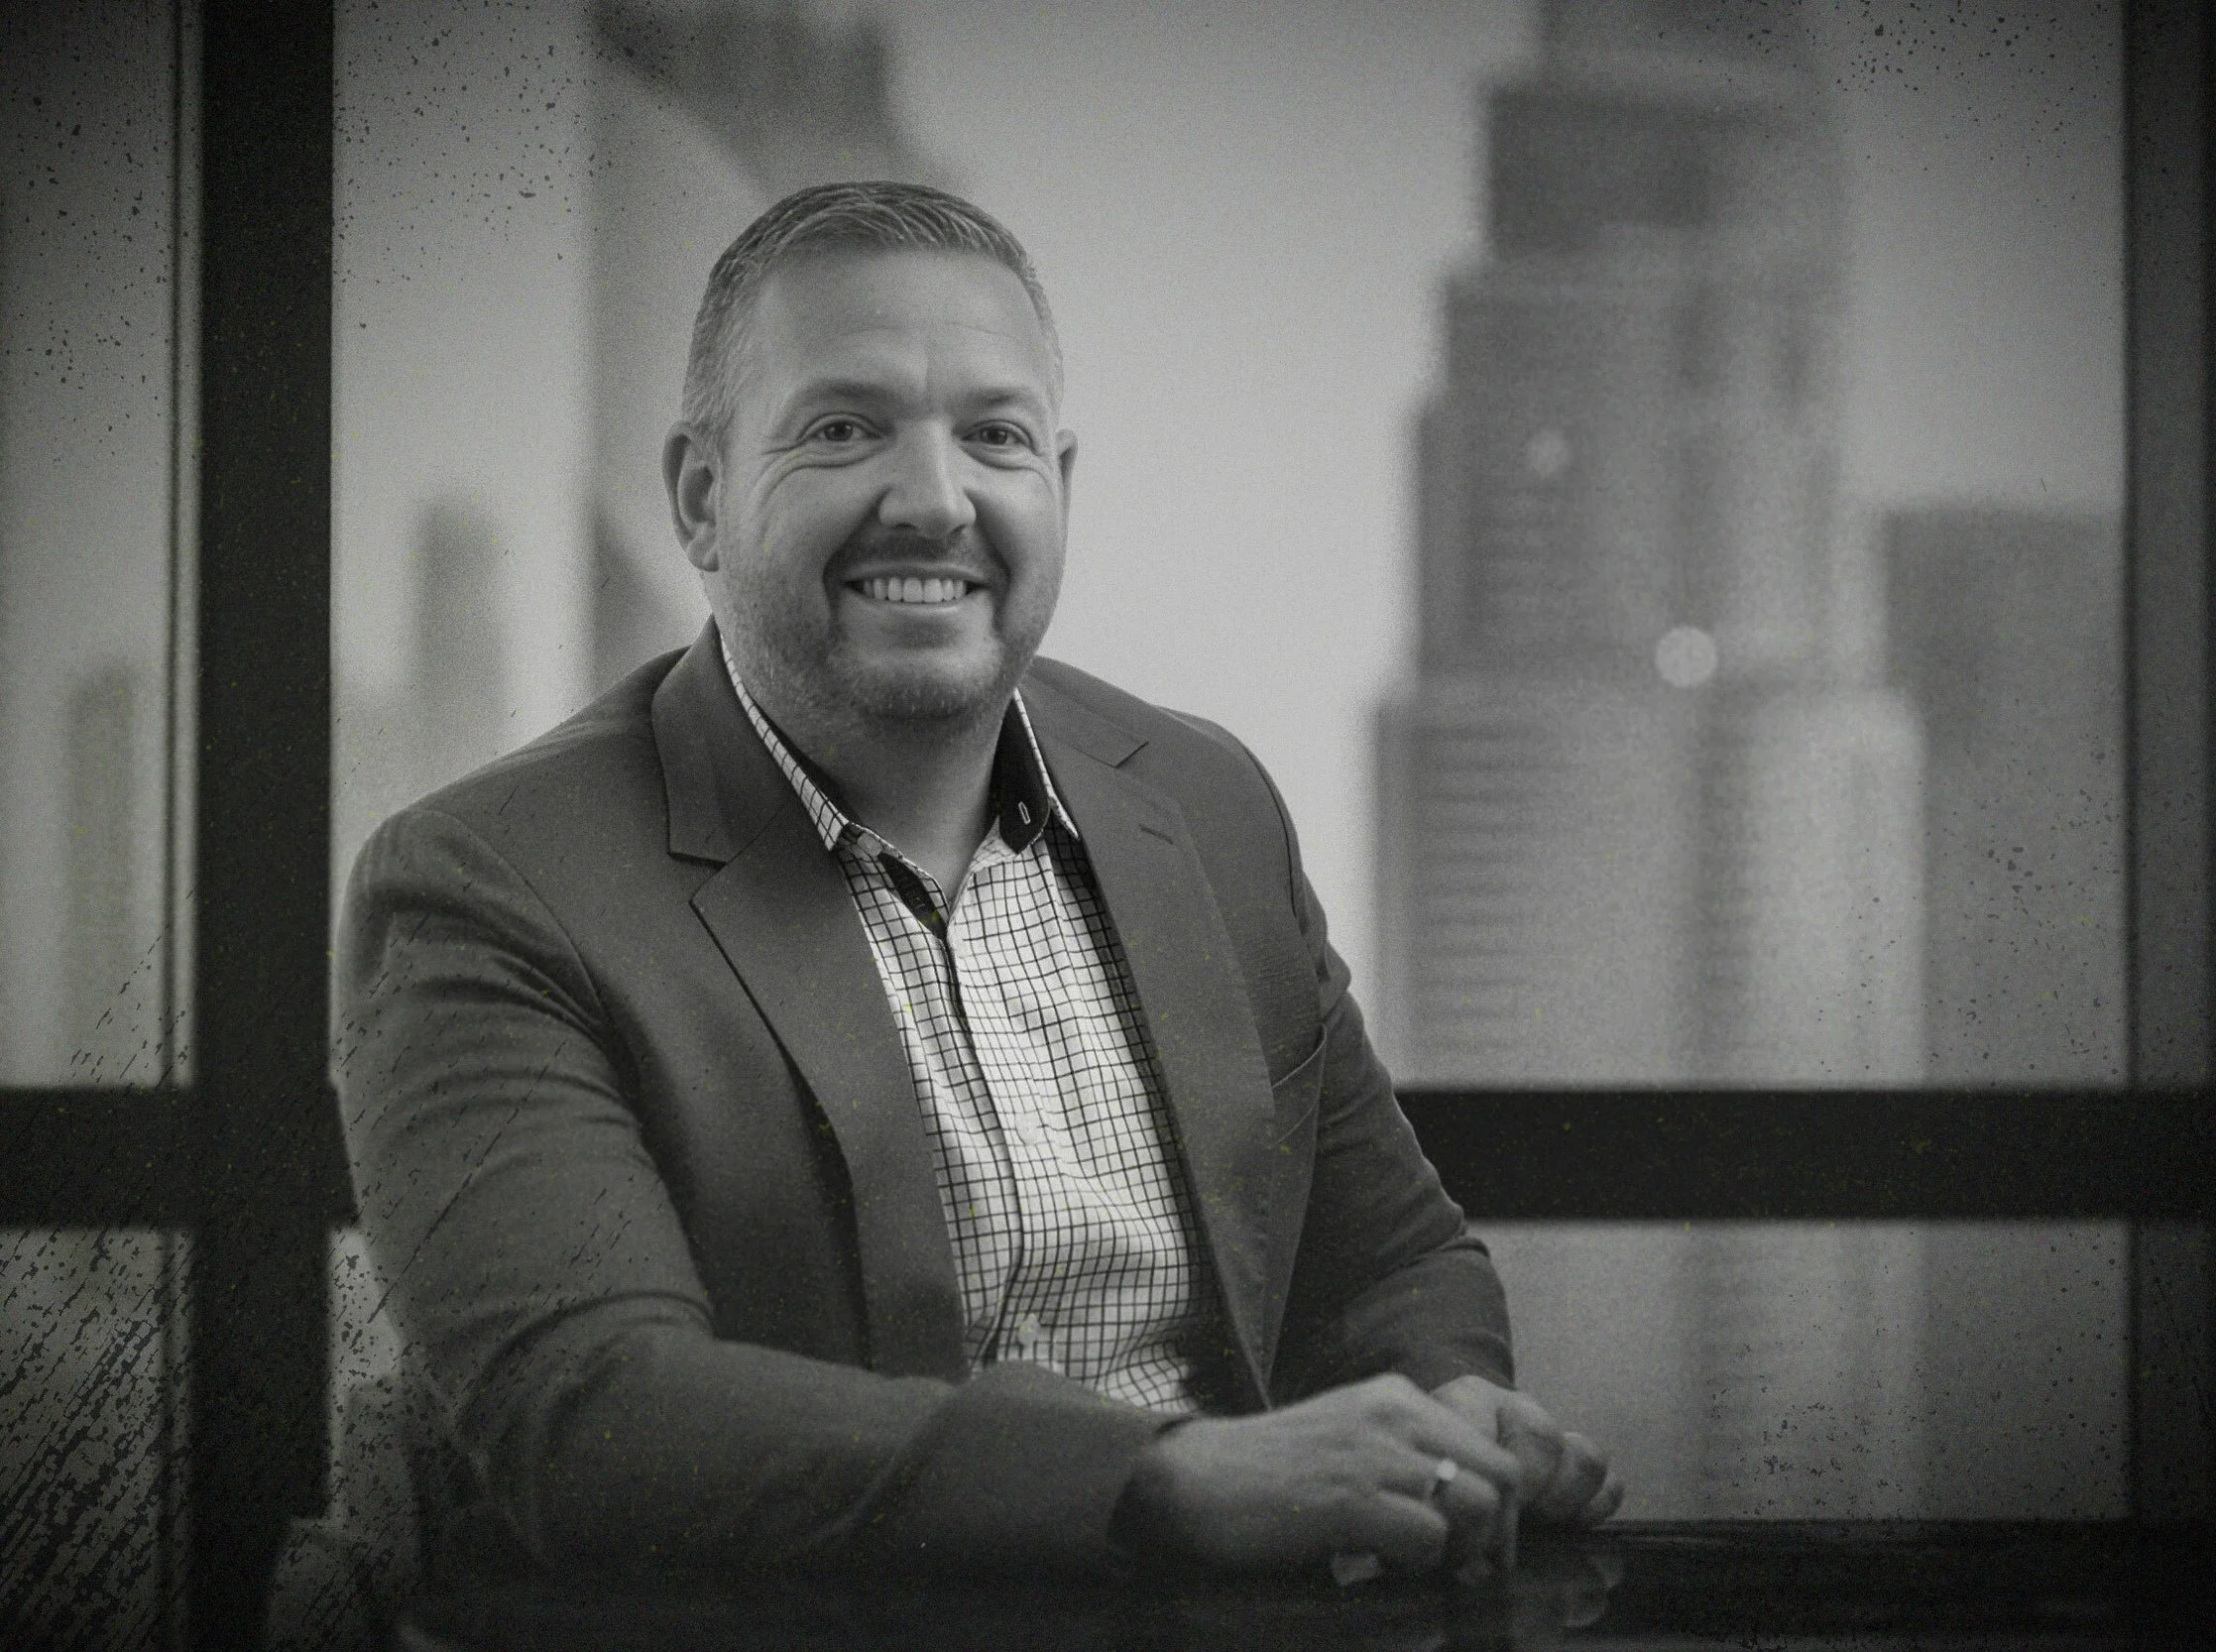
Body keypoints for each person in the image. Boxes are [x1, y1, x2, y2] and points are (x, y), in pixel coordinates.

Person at [337, 180, 1620, 1588]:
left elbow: (1385, 1263)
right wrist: (1159, 1480)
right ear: (701, 498)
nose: (935, 498)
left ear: (1058, 484)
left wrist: (1442, 1421)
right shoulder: (490, 881)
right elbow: (591, 1413)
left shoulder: (1204, 802)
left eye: (995, 437)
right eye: (844, 429)